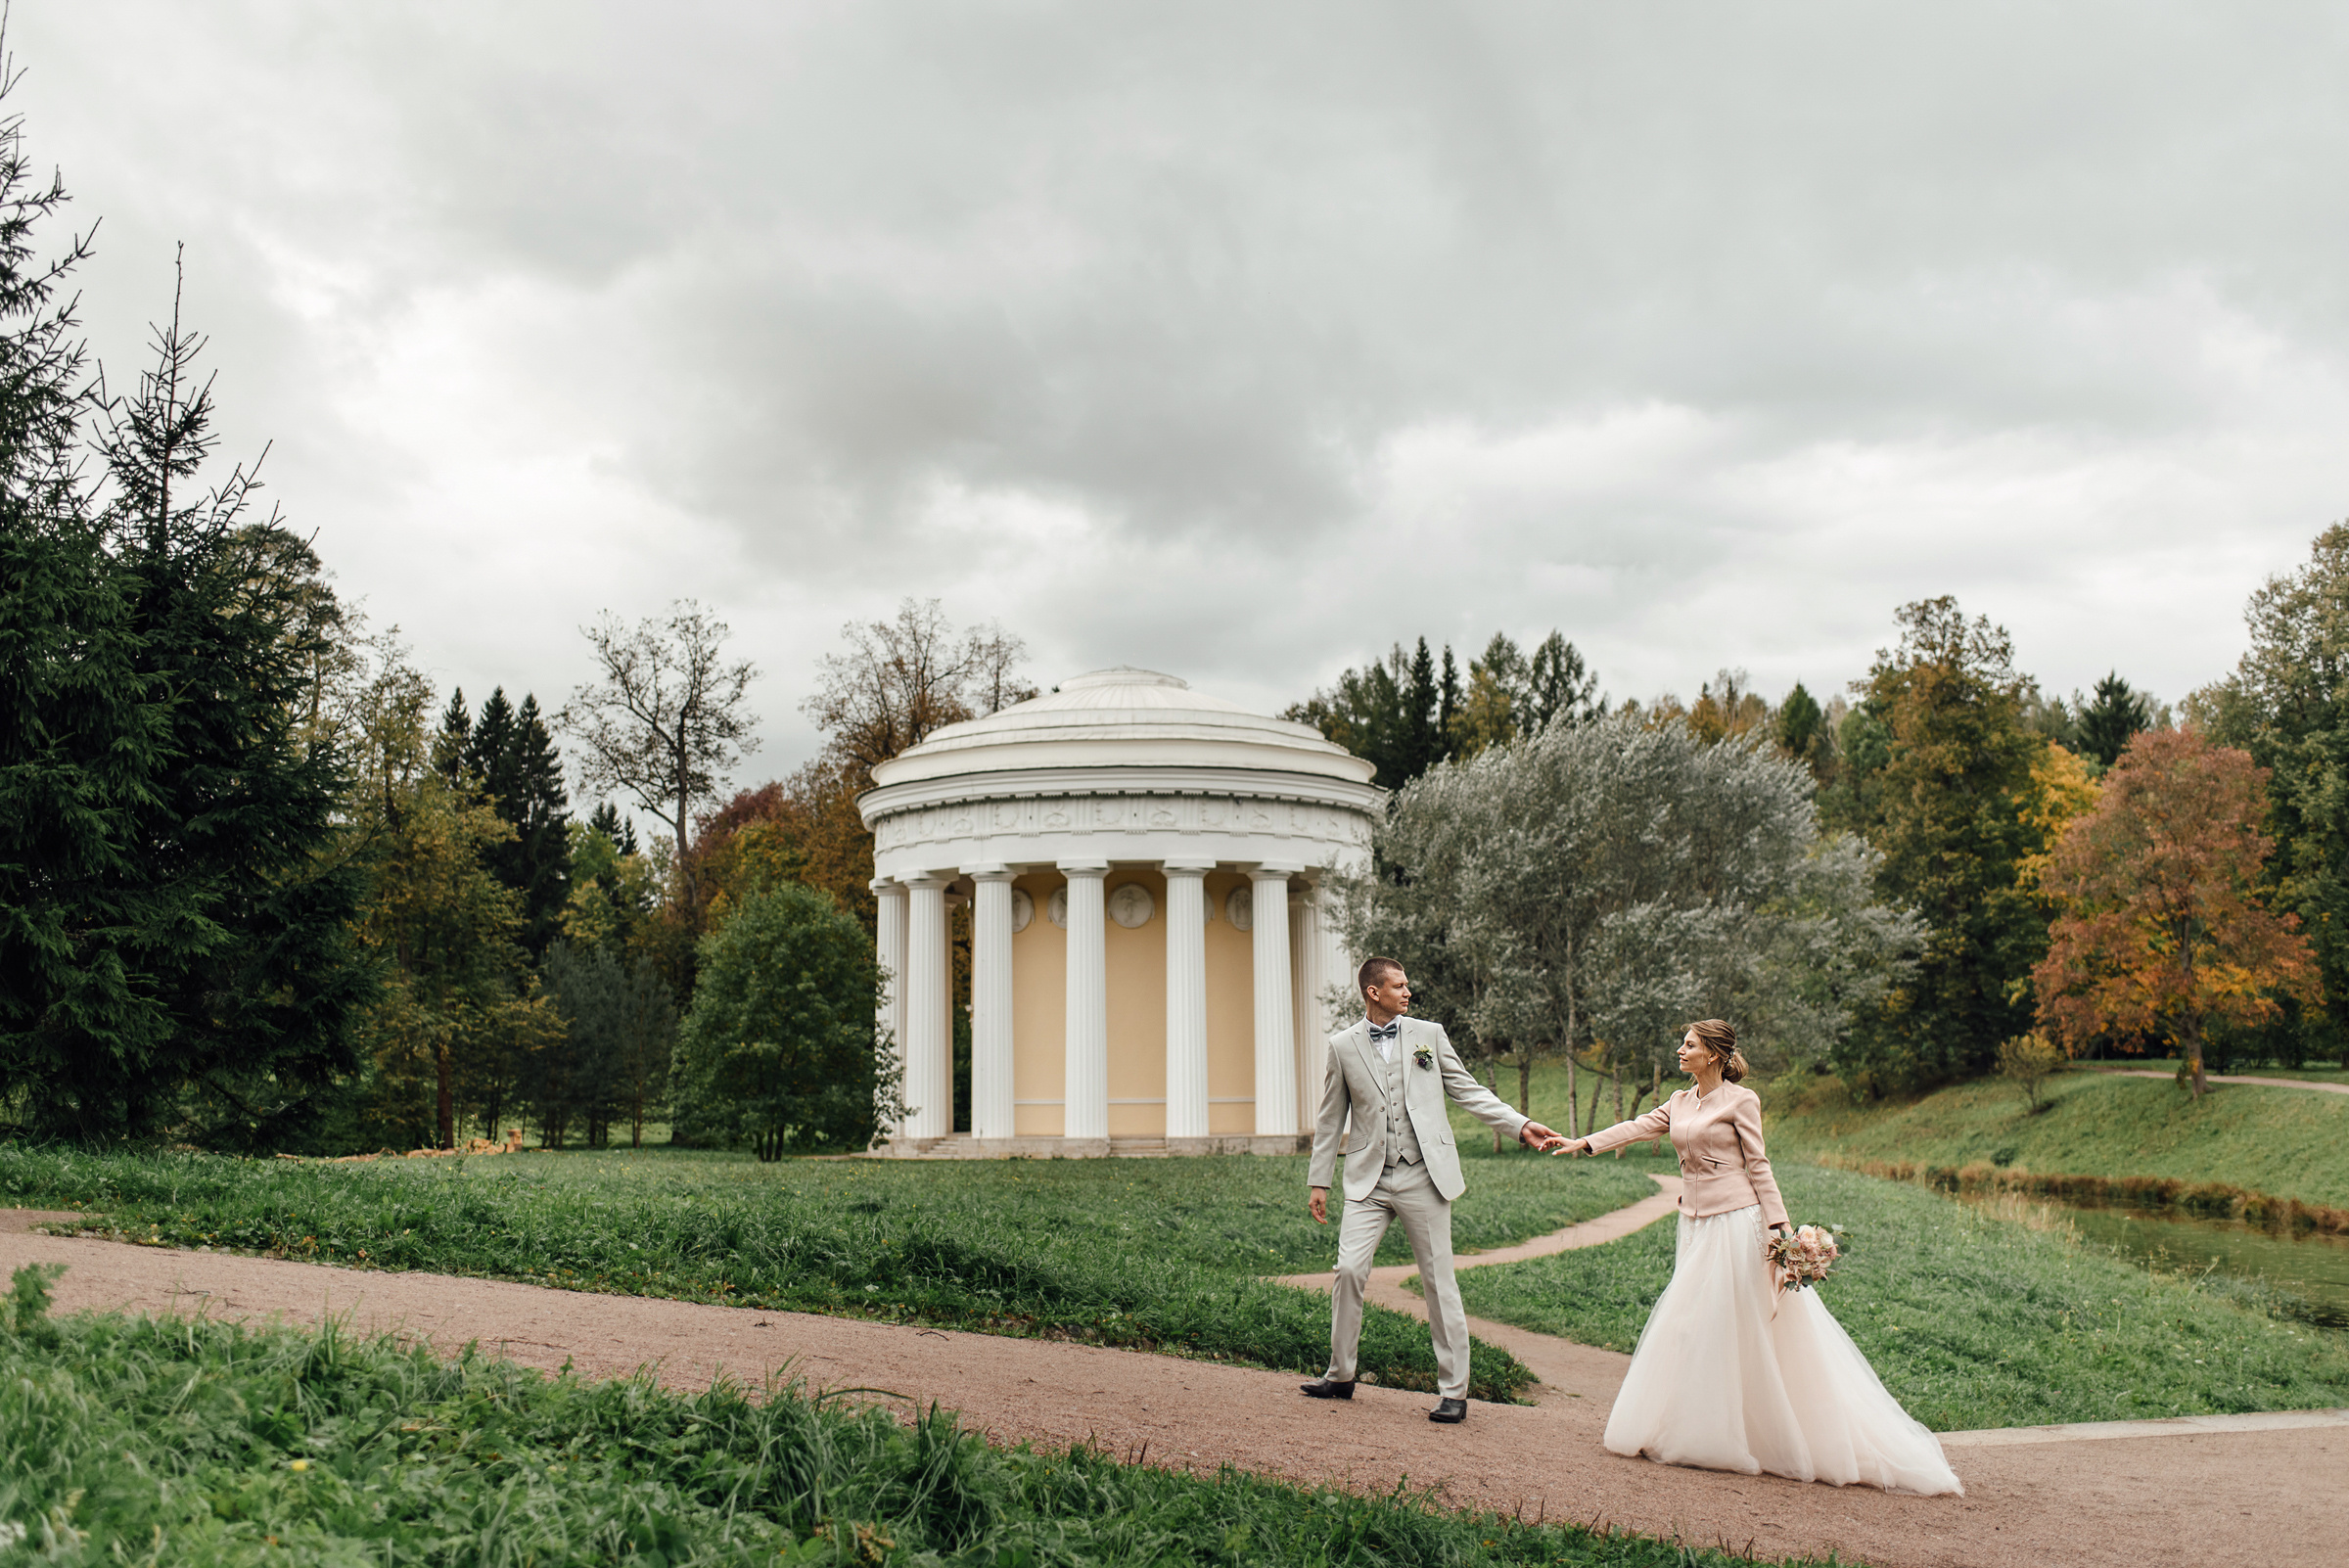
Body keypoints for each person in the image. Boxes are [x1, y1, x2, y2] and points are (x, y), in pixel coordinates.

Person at [1554, 1019, 1962, 1495]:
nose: (1680, 1050)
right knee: (1694, 1324)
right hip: (1694, 1225)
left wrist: (1782, 1232)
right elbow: (1639, 1126)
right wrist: (1583, 1142)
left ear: (1713, 1054)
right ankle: (1697, 1426)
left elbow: (1759, 1166)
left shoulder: (1741, 1101)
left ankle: (1731, 1435)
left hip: (1735, 1223)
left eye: (1689, 1044)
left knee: (1718, 1321)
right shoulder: (1680, 1101)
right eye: (1682, 1044)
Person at [1302, 957, 1563, 1423]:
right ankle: (1340, 1375)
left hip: (1424, 1175)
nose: (1408, 992)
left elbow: (1467, 1090)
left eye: (1407, 985)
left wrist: (1519, 1125)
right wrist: (1319, 1180)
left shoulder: (1430, 1034)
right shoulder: (1342, 1046)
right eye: (1399, 986)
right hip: (1368, 1179)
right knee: (1348, 1270)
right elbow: (1330, 1117)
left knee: (1439, 1282)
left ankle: (1454, 1391)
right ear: (1373, 992)